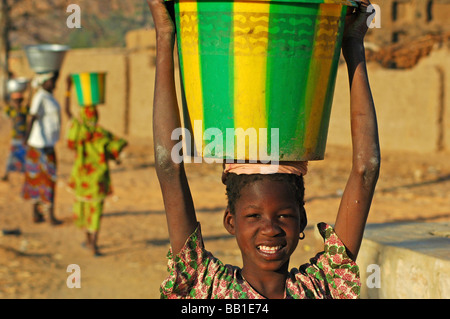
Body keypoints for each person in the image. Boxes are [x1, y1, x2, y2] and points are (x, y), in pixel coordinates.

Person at [150, 0, 380, 299]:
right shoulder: (205, 288)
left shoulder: (322, 287)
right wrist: (165, 34)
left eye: (284, 215)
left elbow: (367, 169)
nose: (270, 229)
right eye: (253, 216)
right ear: (230, 221)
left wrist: (352, 44)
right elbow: (169, 166)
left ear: (302, 220)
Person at [65, 75, 128, 256]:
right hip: (99, 178)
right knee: (96, 211)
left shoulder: (79, 129)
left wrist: (68, 90)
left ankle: (86, 240)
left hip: (82, 177)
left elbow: (67, 114)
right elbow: (120, 144)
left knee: (84, 209)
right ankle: (94, 243)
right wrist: (112, 156)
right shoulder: (103, 133)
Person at [22, 72, 63, 225]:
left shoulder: (49, 96)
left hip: (48, 144)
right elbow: (32, 116)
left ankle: (43, 214)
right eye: (51, 80)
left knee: (46, 179)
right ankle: (46, 216)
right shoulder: (40, 96)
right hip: (39, 145)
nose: (54, 83)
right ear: (44, 82)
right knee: (40, 179)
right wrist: (26, 139)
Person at [1, 90, 29, 181]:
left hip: (23, 138)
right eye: (15, 100)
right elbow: (5, 103)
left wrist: (30, 88)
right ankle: (6, 175)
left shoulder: (24, 110)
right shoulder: (11, 110)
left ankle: (26, 176)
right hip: (15, 137)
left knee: (25, 157)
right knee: (11, 157)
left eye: (19, 100)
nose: (17, 102)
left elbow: (29, 102)